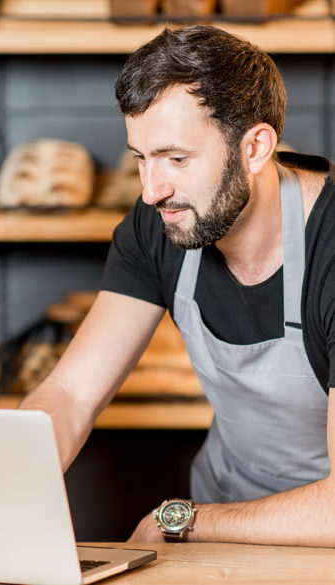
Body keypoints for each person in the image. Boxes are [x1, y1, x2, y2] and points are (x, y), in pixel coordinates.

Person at [21, 24, 335, 547]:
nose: (151, 191)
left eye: (176, 159)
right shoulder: (162, 224)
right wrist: (7, 476)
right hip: (223, 507)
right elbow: (72, 394)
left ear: (255, 147)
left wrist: (185, 520)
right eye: (140, 158)